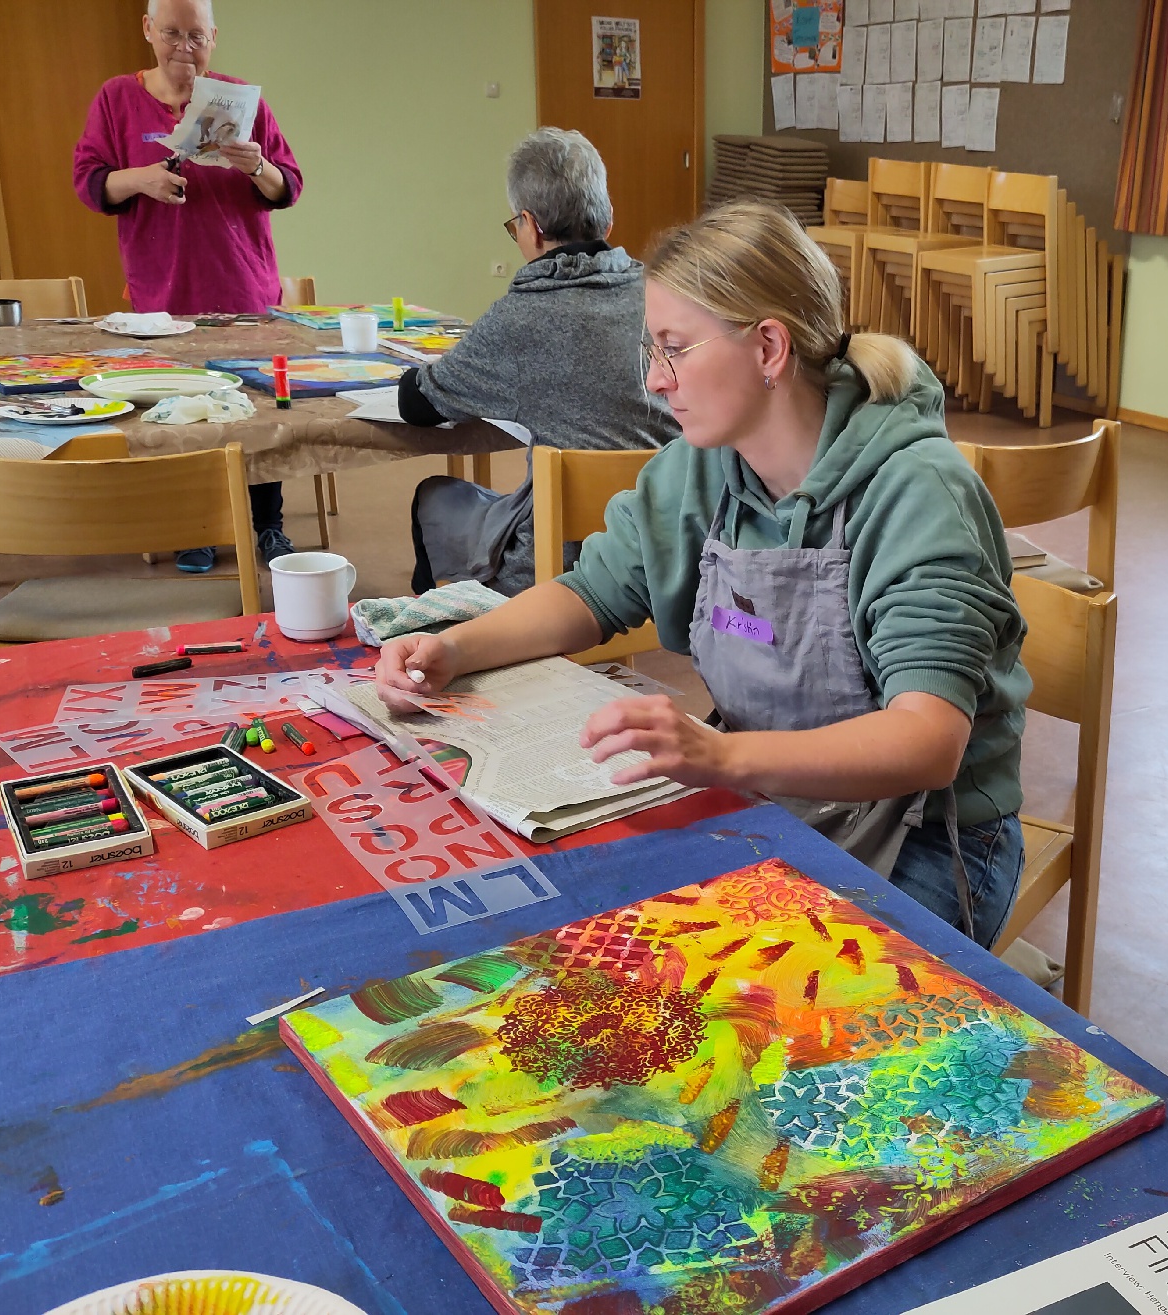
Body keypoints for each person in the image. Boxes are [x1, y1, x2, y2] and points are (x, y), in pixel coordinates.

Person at [376, 200, 1031, 946]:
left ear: (769, 348)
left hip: (927, 834)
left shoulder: (918, 492)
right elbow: (592, 592)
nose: (655, 381)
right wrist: (457, 646)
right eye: (651, 351)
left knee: (787, 1017)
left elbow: (927, 738)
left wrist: (719, 755)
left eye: (675, 349)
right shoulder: (704, 466)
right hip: (777, 789)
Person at [73, 0, 302, 572]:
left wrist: (255, 166)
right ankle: (194, 526)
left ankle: (268, 525)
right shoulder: (115, 98)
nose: (183, 47)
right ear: (148, 30)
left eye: (196, 36)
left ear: (214, 38)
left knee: (254, 413)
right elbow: (89, 181)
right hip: (163, 286)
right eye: (171, 33)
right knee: (178, 409)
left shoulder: (240, 98)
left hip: (242, 280)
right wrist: (141, 179)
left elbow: (289, 185)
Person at [400, 128, 678, 597]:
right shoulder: (666, 294)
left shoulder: (521, 316)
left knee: (435, 496)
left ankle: (451, 628)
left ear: (530, 225)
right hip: (668, 545)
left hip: (558, 568)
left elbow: (418, 403)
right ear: (607, 222)